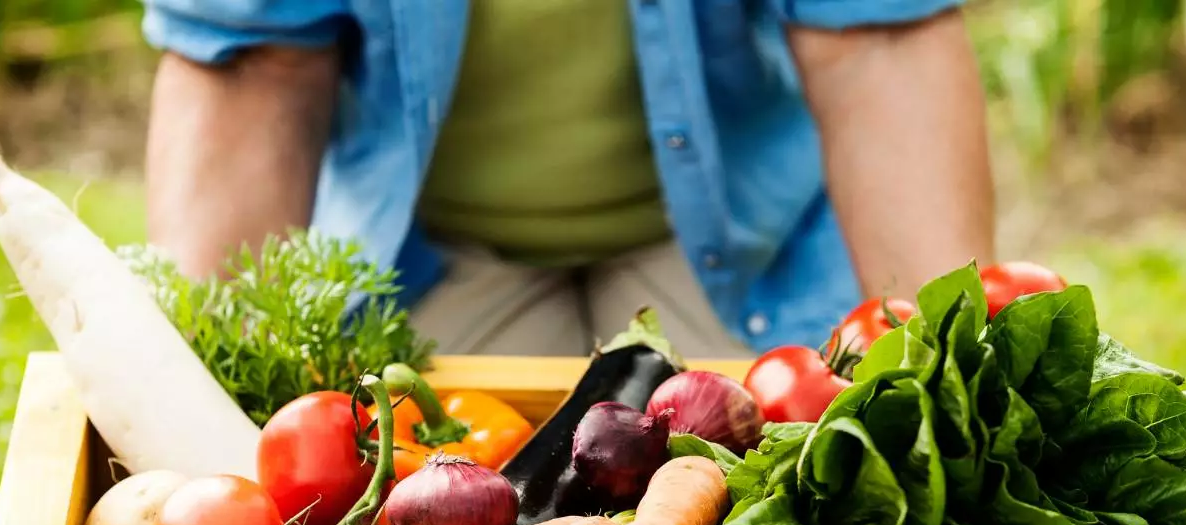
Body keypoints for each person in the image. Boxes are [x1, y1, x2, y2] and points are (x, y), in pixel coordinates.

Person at [140, 1, 994, 359]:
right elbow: (257, 67)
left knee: (799, 519)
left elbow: (873, 43)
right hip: (428, 251)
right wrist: (190, 401)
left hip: (741, 241)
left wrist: (955, 373)